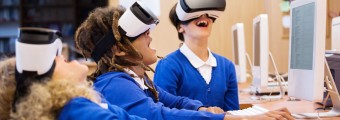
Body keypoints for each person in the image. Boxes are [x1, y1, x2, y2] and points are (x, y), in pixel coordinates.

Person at [75, 1, 294, 120]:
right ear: (119, 50)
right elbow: (157, 115)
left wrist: (201, 109)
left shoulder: (137, 81)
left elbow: (172, 101)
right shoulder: (114, 83)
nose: (150, 36)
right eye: (143, 34)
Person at [0, 27, 144, 120]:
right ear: (39, 86)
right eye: (48, 58)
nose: (60, 56)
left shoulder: (90, 103)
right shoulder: (75, 110)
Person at [154, 0, 238, 111]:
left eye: (207, 14)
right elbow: (164, 112)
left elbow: (233, 113)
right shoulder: (168, 66)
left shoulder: (227, 66)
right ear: (180, 27)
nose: (203, 16)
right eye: (195, 14)